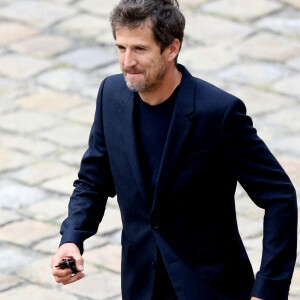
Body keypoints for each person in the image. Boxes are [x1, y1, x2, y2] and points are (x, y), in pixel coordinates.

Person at [51, 0, 298, 299]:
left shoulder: (218, 113)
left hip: (211, 288)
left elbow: (280, 197)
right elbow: (92, 181)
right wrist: (72, 238)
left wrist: (268, 290)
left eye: (140, 49)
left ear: (171, 48)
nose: (127, 61)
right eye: (121, 48)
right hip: (141, 286)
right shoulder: (110, 96)